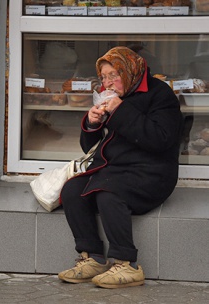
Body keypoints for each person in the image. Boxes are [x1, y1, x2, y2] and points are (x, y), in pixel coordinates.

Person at [58, 46, 183, 288]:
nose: (108, 83)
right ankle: (92, 256)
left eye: (114, 75)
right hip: (115, 170)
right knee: (72, 190)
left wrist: (120, 110)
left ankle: (127, 264)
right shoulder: (111, 97)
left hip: (152, 172)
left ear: (129, 70)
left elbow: (160, 139)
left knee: (108, 193)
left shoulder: (160, 95)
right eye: (103, 77)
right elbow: (89, 147)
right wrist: (92, 123)